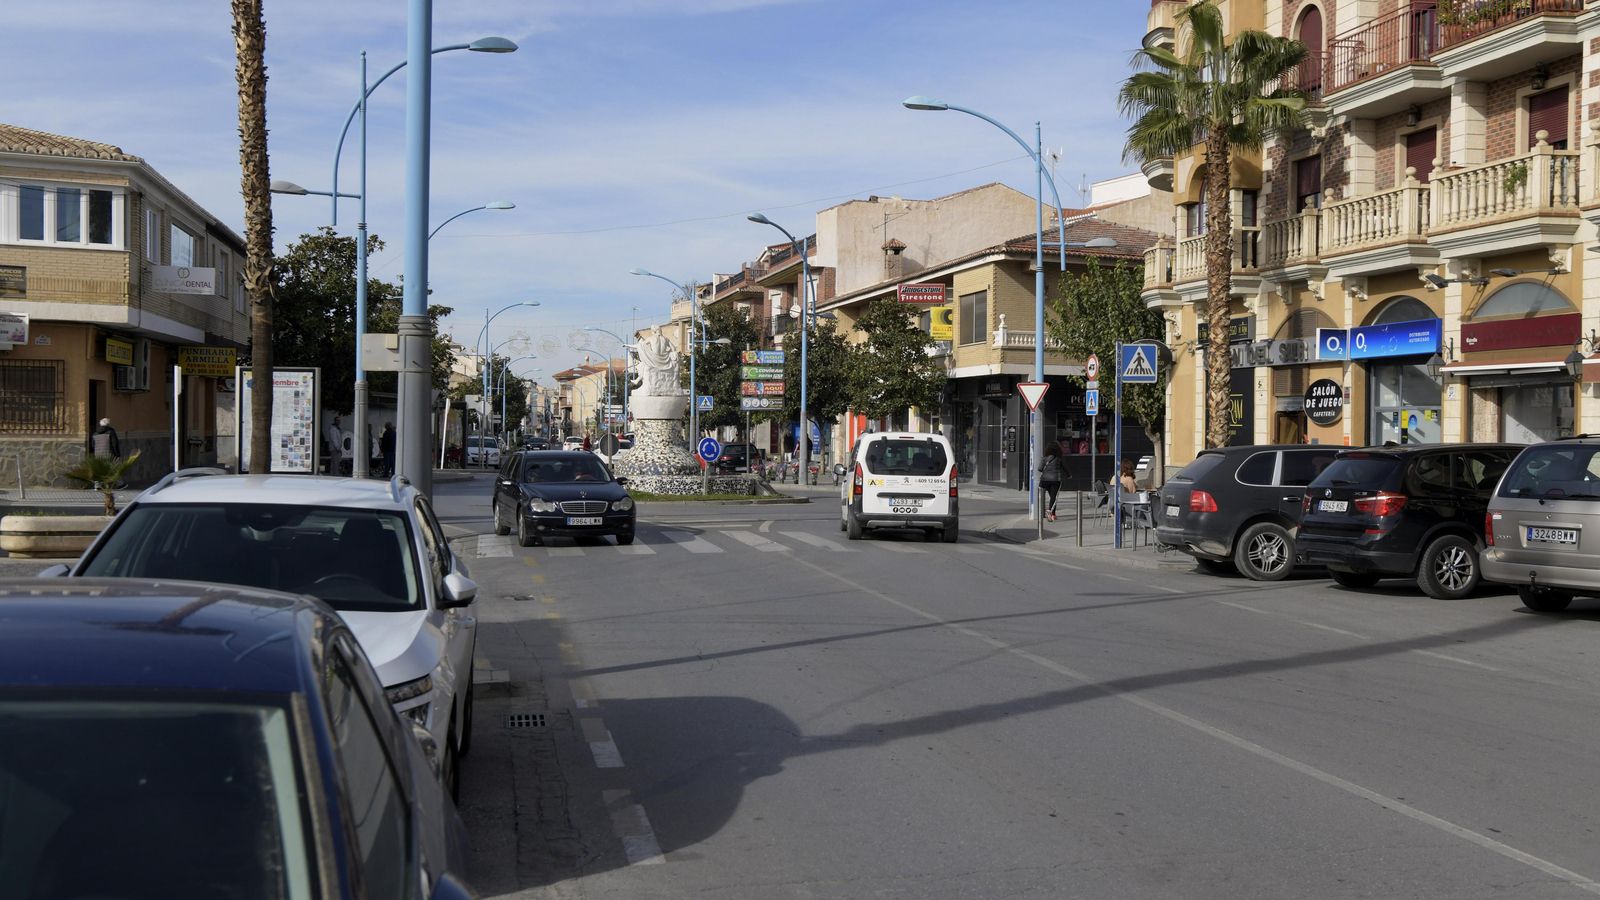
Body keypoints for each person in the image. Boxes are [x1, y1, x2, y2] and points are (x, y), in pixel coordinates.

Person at [1038, 443, 1065, 522]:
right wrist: (1069, 475)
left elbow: (1039, 469)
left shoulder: (1044, 458)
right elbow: (1065, 468)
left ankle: (1043, 513)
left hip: (1044, 480)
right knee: (1053, 497)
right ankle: (1051, 513)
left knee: (1043, 496)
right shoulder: (1058, 459)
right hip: (1055, 480)